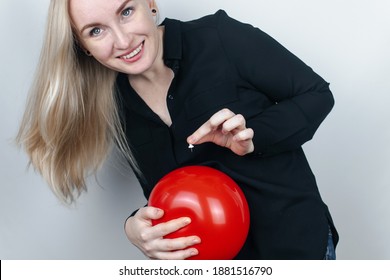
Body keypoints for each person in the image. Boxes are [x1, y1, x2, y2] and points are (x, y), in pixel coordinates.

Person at [17, 0, 338, 260]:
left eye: (126, 12)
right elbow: (164, 189)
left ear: (150, 4)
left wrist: (253, 135)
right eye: (96, 30)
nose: (123, 41)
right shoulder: (111, 104)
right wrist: (133, 226)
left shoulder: (220, 36)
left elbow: (317, 94)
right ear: (84, 47)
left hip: (297, 250)